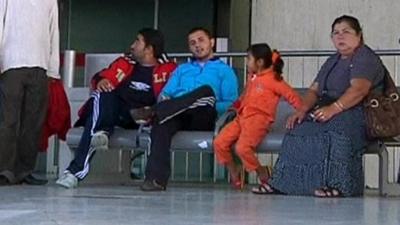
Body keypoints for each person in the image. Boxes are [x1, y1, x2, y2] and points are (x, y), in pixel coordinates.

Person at [258, 15, 385, 197]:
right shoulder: (332, 61)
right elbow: (313, 91)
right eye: (336, 33)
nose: (340, 36)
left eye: (346, 32)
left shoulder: (365, 57)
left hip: (360, 114)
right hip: (331, 111)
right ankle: (283, 183)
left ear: (359, 35)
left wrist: (333, 109)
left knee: (337, 129)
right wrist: (301, 111)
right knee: (298, 128)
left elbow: (359, 90)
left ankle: (340, 186)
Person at [56, 28, 177, 188]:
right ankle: (100, 134)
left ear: (149, 49)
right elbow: (101, 76)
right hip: (116, 114)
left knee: (96, 119)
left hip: (146, 117)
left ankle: (77, 168)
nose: (132, 46)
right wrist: (101, 81)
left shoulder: (169, 69)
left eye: (137, 41)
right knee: (101, 95)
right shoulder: (125, 63)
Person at [131, 27, 239, 191]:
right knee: (162, 124)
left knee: (205, 91)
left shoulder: (224, 70)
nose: (197, 45)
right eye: (192, 43)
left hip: (205, 115)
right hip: (178, 115)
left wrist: (199, 102)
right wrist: (180, 104)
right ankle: (156, 179)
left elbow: (231, 104)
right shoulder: (182, 70)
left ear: (212, 42)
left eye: (201, 40)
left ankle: (153, 111)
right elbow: (166, 94)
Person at [213, 44, 302, 190]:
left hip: (259, 120)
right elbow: (245, 95)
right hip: (241, 117)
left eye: (248, 59)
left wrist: (302, 111)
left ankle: (261, 171)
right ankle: (234, 171)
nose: (246, 62)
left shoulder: (274, 79)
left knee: (242, 148)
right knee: (219, 142)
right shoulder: (252, 77)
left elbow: (292, 96)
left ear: (259, 62)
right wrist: (236, 106)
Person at [0, 0, 60, 185]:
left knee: (33, 121)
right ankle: (5, 169)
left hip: (40, 65)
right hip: (11, 63)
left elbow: (53, 31)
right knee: (8, 120)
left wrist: (52, 68)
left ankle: (25, 170)